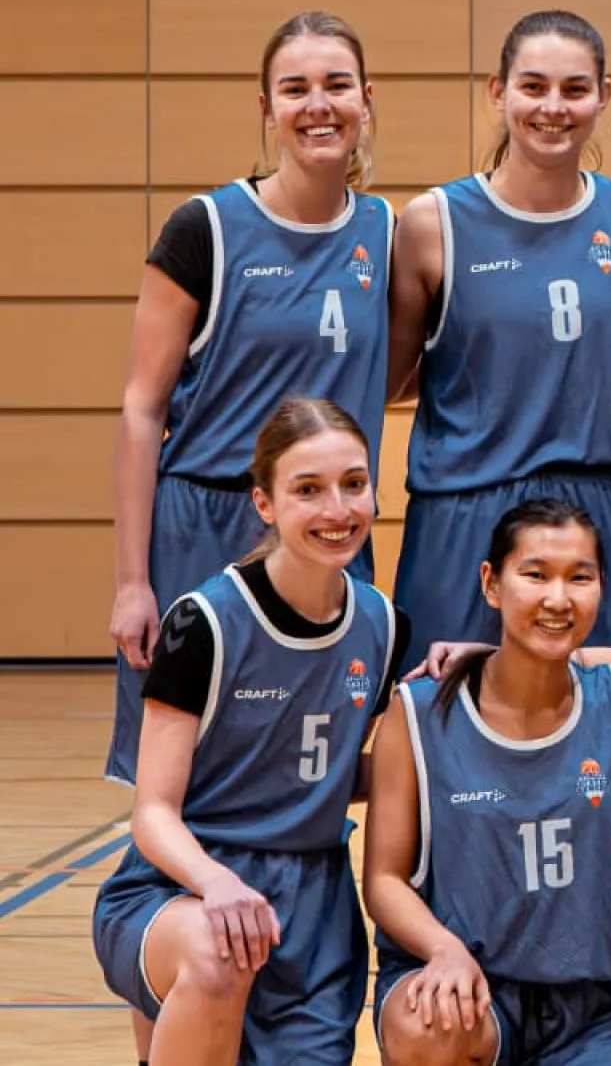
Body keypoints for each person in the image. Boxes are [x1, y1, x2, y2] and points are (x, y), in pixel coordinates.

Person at [107, 11, 394, 785]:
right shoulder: (205, 229)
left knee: (314, 765)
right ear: (267, 107)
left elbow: (396, 371)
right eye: (295, 89)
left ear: (367, 100)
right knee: (183, 770)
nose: (318, 105)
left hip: (328, 526)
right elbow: (142, 410)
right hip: (207, 524)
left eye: (337, 85)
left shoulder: (386, 233)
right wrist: (132, 582)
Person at [91, 398, 405, 1066]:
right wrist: (216, 884)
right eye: (308, 490)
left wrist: (461, 708)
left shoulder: (383, 626)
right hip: (184, 886)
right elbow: (153, 811)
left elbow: (326, 772)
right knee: (216, 955)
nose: (338, 509)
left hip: (315, 911)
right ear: (265, 503)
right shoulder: (203, 622)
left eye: (353, 483)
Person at [364, 499, 611, 1065]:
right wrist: (444, 950)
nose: (558, 598)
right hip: (467, 981)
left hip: (591, 1008)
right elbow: (384, 880)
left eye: (579, 578)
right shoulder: (418, 712)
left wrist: (571, 657)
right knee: (427, 1020)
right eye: (535, 575)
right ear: (491, 583)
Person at [385, 10, 611, 675]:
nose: (553, 107)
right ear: (497, 91)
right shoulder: (432, 223)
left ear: (604, 96)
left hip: (600, 511)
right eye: (533, 86)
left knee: (599, 722)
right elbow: (389, 379)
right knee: (447, 716)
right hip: (467, 513)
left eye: (574, 89)